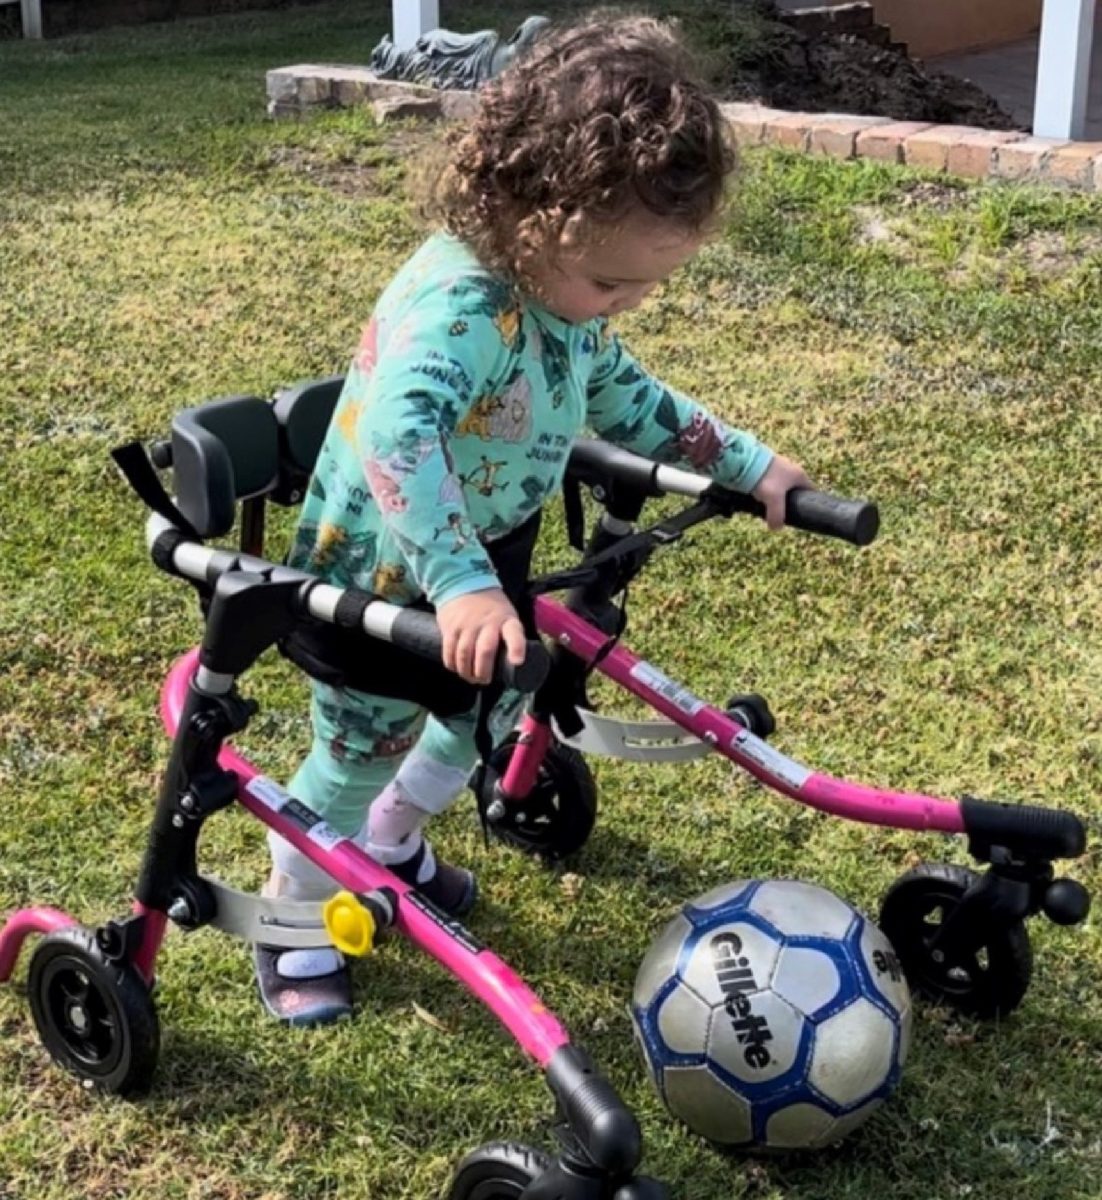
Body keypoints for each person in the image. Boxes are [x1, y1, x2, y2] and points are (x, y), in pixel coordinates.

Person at [256, 13, 811, 1025]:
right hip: (383, 576)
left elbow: (632, 399)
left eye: (649, 282)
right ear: (522, 207)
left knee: (478, 721)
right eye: (612, 280)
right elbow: (396, 435)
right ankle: (293, 913)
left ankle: (388, 841)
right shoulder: (463, 312)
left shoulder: (565, 308)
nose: (626, 303)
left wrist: (746, 463)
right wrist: (458, 583)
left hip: (481, 563)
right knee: (353, 754)